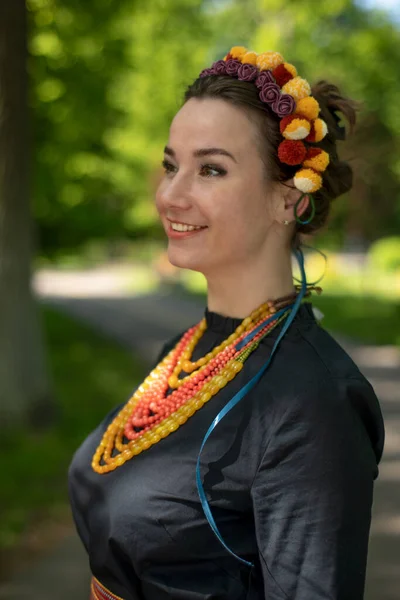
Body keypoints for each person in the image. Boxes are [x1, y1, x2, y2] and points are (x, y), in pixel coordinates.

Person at [68, 46, 385, 600]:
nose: (170, 194)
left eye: (210, 169)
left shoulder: (311, 405)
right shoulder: (188, 349)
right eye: (172, 165)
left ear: (288, 199)